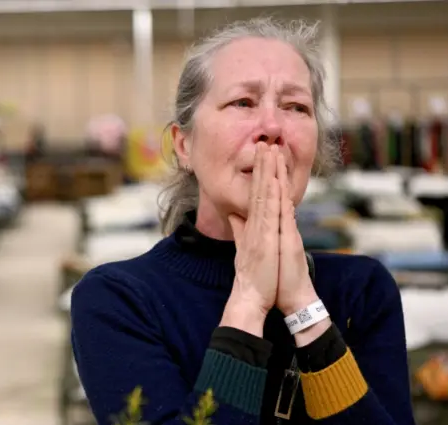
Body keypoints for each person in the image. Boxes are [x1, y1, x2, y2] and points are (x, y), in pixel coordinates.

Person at [70, 17, 415, 425]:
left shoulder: (362, 292)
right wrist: (248, 302)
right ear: (184, 145)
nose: (272, 128)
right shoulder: (120, 300)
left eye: (295, 107)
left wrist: (304, 308)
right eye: (243, 103)